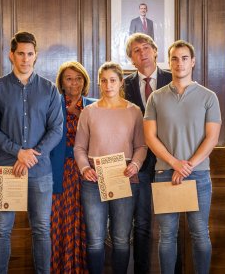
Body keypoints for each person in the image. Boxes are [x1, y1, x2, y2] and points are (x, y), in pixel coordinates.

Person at [0, 31, 63, 274]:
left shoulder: (49, 90)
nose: (25, 59)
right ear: (11, 55)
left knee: (41, 229)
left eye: (29, 54)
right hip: (7, 169)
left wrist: (31, 155)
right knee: (1, 230)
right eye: (20, 54)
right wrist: (18, 152)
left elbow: (57, 129)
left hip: (40, 172)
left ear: (35, 56)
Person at [144, 40, 221, 274]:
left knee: (200, 233)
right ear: (169, 62)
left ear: (193, 61)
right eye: (175, 58)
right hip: (165, 173)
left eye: (184, 58)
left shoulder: (209, 97)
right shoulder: (155, 98)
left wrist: (187, 166)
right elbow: (150, 137)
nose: (179, 63)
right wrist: (175, 163)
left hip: (198, 175)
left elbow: (212, 138)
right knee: (167, 235)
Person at [74, 62, 147, 274]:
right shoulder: (89, 112)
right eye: (104, 80)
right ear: (99, 83)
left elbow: (141, 146)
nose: (108, 85)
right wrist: (84, 168)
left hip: (124, 177)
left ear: (121, 82)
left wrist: (135, 164)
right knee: (95, 240)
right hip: (93, 180)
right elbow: (79, 147)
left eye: (113, 80)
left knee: (121, 239)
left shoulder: (134, 112)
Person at [124, 33, 172, 273]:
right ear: (131, 59)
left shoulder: (174, 79)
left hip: (168, 162)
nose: (142, 53)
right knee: (141, 224)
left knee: (171, 226)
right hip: (138, 164)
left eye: (146, 48)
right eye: (136, 51)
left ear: (155, 51)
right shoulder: (124, 85)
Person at [50, 61, 96, 273]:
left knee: (87, 223)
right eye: (69, 78)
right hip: (59, 171)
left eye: (78, 78)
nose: (74, 83)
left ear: (84, 81)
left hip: (87, 171)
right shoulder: (52, 104)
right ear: (61, 82)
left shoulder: (94, 105)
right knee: (60, 223)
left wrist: (80, 116)